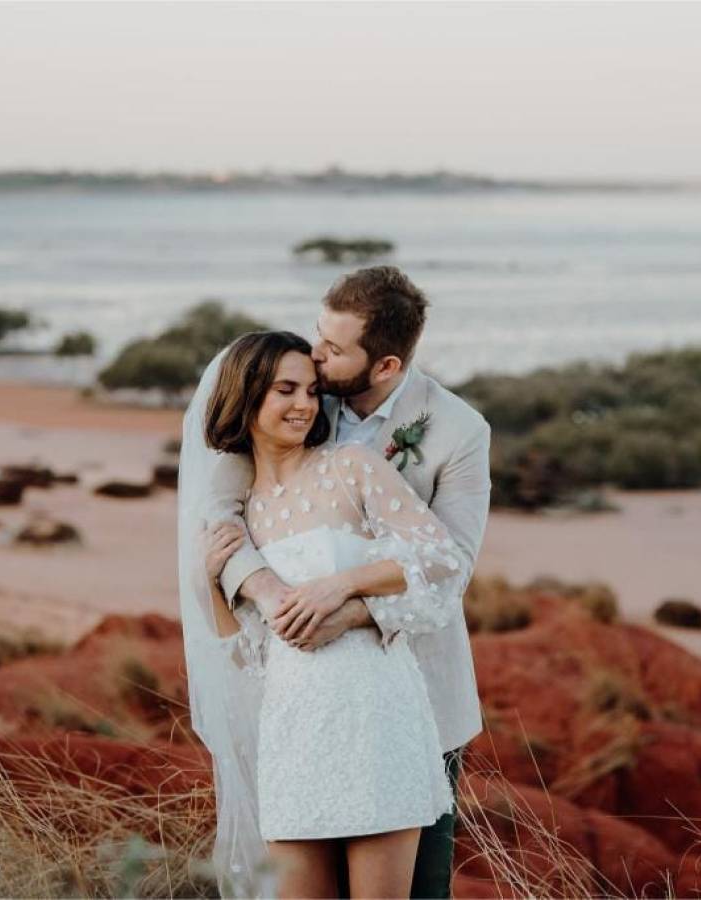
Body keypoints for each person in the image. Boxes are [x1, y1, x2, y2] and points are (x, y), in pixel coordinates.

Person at [182, 266, 492, 897]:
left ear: (383, 367)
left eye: (332, 348)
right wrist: (270, 594)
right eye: (318, 334)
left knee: (422, 888)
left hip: (410, 690)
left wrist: (344, 604)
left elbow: (448, 562)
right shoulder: (295, 393)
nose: (316, 357)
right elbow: (221, 517)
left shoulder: (458, 432)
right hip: (296, 706)